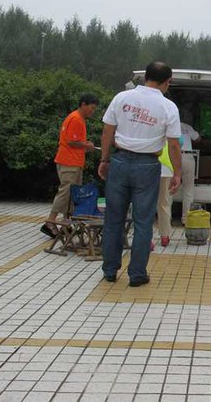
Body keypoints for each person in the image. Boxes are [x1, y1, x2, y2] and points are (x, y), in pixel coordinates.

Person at [98, 62, 182, 286]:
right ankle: (137, 274)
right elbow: (174, 145)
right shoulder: (168, 107)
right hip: (147, 165)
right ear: (168, 82)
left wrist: (104, 159)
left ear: (145, 77)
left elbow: (107, 131)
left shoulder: (122, 98)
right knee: (143, 222)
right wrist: (177, 172)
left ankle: (109, 270)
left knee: (113, 219)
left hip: (119, 161)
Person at [41, 93, 99, 238]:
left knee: (72, 194)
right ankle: (50, 221)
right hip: (69, 162)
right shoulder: (76, 118)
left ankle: (66, 223)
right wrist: (87, 145)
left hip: (74, 161)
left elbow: (75, 142)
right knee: (65, 192)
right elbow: (71, 141)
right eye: (92, 108)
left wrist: (86, 146)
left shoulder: (78, 119)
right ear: (83, 104)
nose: (93, 111)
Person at [179, 111, 201, 225]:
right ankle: (186, 219)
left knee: (168, 189)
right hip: (187, 156)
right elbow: (197, 138)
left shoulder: (168, 125)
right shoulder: (187, 127)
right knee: (188, 190)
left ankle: (166, 218)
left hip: (172, 156)